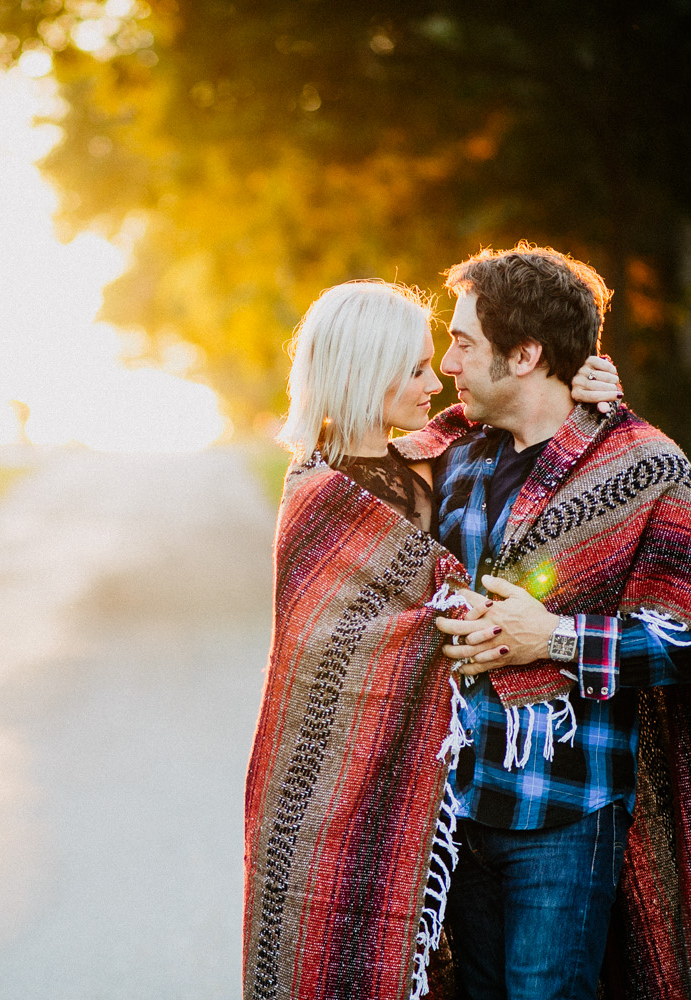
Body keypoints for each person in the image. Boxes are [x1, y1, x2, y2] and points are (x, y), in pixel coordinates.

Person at [389, 244, 691, 1000]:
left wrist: (556, 639)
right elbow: (363, 463)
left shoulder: (640, 467)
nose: (447, 363)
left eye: (464, 343)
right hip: (460, 806)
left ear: (527, 352)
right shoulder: (457, 458)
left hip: (567, 812)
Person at [243, 279, 621, 1000]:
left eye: (434, 361)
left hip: (466, 789)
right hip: (357, 797)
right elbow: (330, 653)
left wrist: (589, 390)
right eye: (417, 368)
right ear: (368, 372)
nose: (437, 378)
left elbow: (544, 437)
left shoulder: (451, 456)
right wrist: (464, 622)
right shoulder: (318, 494)